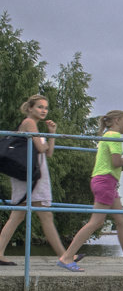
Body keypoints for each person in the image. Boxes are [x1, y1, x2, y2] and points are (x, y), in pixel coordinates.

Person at [55, 111, 123, 272]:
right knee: (96, 222)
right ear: (117, 121)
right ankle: (67, 257)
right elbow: (115, 160)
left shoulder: (107, 135)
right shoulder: (114, 136)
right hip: (105, 181)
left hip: (107, 182)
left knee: (121, 220)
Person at [0, 95, 69, 265]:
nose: (43, 110)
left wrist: (51, 134)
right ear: (30, 108)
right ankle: (65, 256)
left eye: (45, 107)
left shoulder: (34, 125)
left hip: (33, 173)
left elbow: (49, 153)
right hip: (30, 175)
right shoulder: (29, 123)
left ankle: (65, 256)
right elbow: (41, 148)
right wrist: (50, 136)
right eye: (39, 107)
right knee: (44, 215)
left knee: (19, 215)